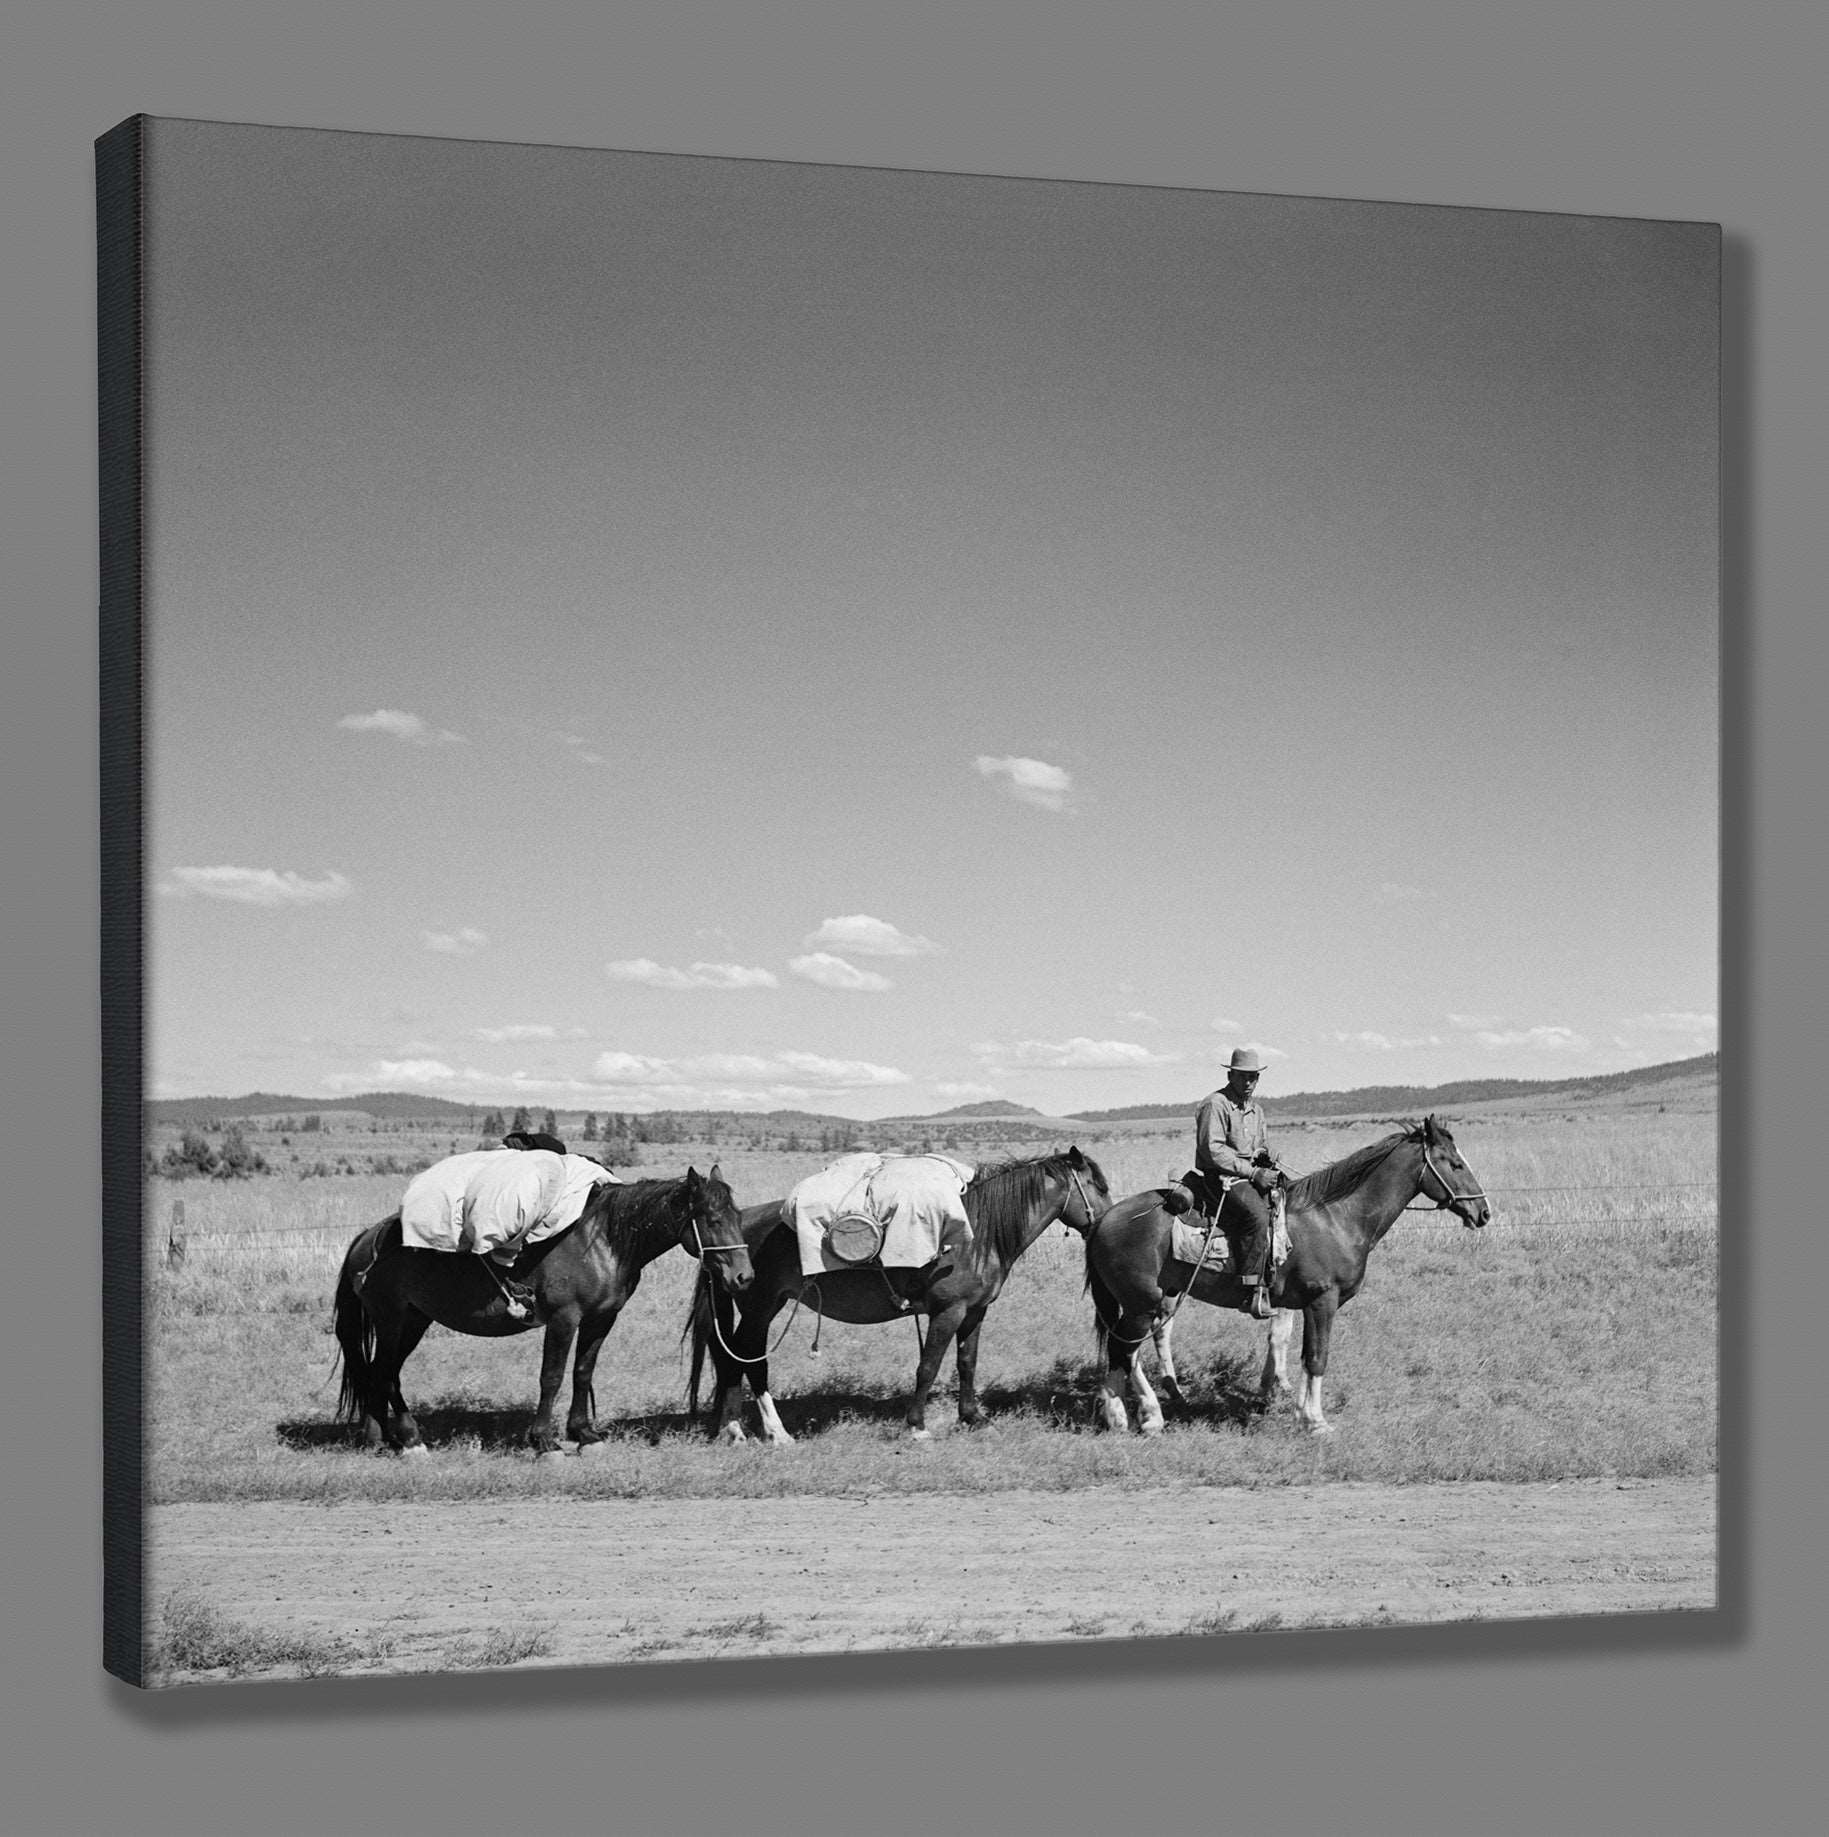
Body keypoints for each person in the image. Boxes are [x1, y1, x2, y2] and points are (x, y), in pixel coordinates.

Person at [1193, 1046, 1283, 1318]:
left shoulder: (1257, 1109)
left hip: (1249, 1172)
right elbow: (1213, 1150)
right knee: (1256, 1215)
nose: (1248, 1083)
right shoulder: (1215, 1104)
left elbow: (1261, 1144)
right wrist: (1253, 1173)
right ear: (1231, 1075)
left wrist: (1266, 1158)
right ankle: (1251, 1290)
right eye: (1243, 1077)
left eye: (1253, 1077)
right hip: (1221, 1177)